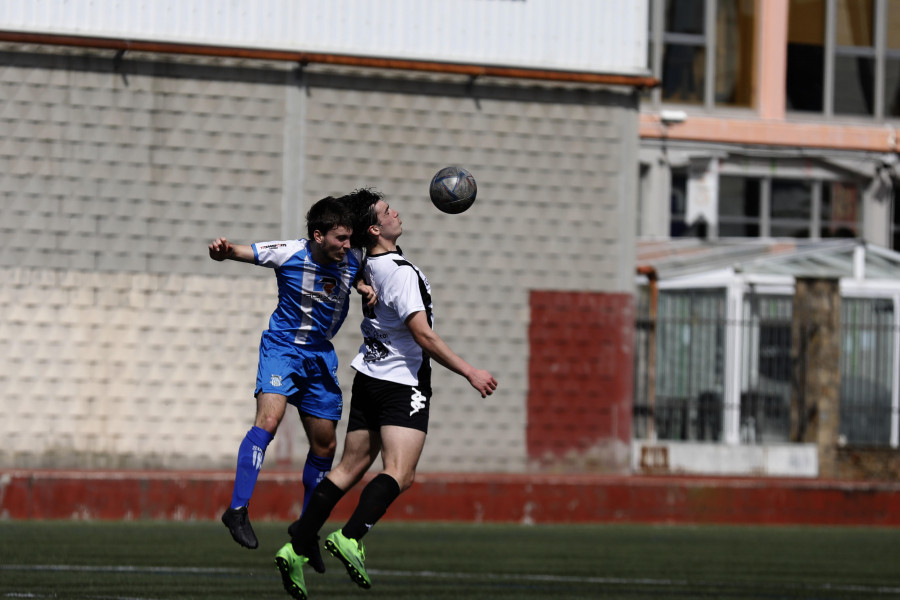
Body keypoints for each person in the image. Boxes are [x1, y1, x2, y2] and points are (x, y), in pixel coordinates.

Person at [274, 188, 498, 600]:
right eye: (387, 210)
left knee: (348, 469)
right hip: (401, 382)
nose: (397, 212)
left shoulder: (365, 263)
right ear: (375, 228)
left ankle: (297, 542)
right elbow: (423, 335)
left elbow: (353, 263)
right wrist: (470, 371)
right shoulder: (399, 271)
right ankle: (351, 537)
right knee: (401, 472)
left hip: (369, 377)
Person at [210, 196, 373, 551]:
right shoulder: (289, 252)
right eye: (340, 239)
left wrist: (362, 286)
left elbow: (362, 271)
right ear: (318, 236)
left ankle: (306, 527)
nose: (348, 246)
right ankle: (237, 510)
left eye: (349, 239)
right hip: (282, 350)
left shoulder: (353, 260)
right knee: (269, 421)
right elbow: (240, 252)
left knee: (325, 444)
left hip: (319, 358)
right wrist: (223, 251)